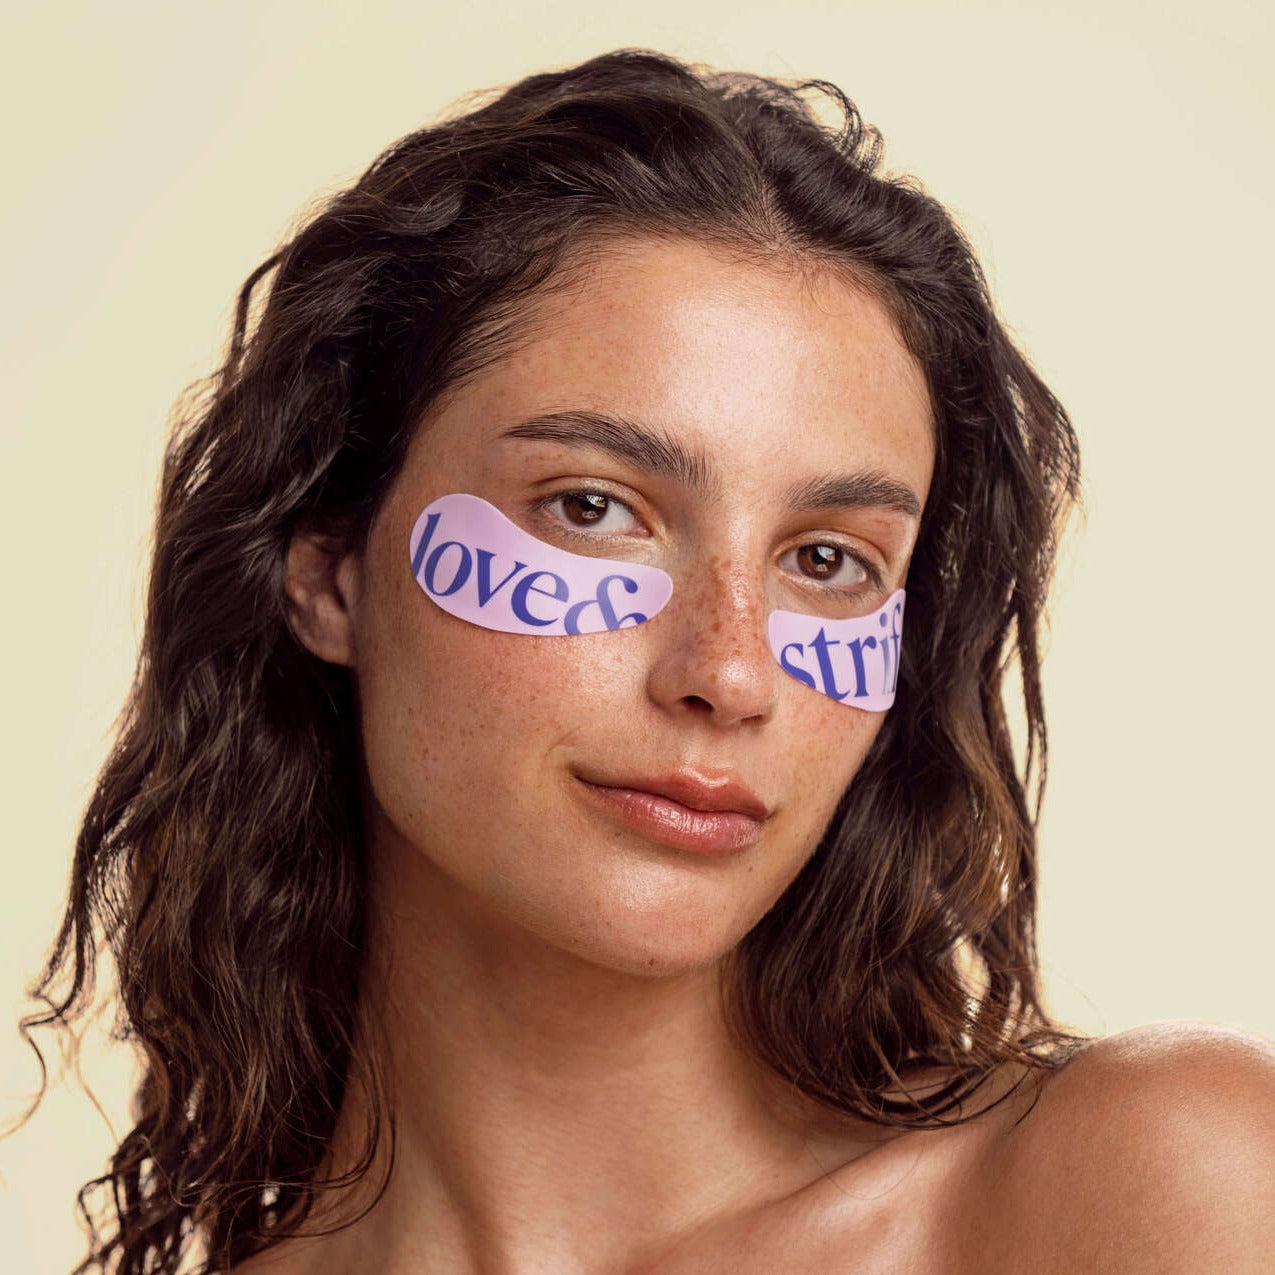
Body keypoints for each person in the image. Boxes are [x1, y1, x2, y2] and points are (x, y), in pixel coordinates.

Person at [20, 46, 1274, 1275]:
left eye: (829, 560)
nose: (728, 675)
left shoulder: (1154, 1188)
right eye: (591, 508)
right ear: (330, 565)